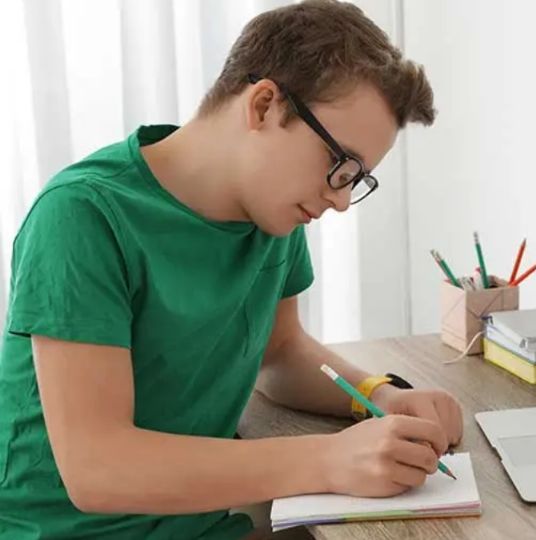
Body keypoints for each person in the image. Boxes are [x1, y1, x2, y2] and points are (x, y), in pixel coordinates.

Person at [0, 1, 462, 538]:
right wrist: (328, 460)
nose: (340, 201)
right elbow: (98, 468)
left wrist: (379, 395)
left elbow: (280, 354)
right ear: (264, 105)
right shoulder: (82, 216)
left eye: (357, 181)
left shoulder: (275, 218)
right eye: (341, 166)